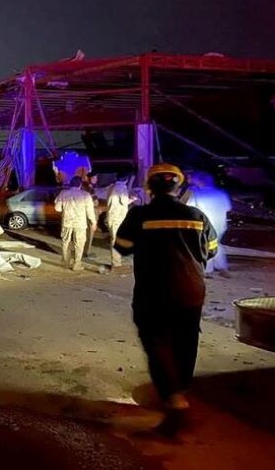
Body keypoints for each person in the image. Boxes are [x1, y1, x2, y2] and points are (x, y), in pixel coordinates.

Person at [115, 163, 218, 412]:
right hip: (191, 289)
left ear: (149, 187)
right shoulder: (196, 216)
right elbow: (211, 249)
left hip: (153, 290)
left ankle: (171, 395)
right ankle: (182, 387)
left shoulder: (139, 215)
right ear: (178, 186)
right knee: (187, 338)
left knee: (156, 339)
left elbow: (122, 246)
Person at [183, 172, 232, 278]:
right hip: (220, 224)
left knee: (206, 245)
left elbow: (188, 207)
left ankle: (208, 270)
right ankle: (222, 267)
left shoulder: (197, 194)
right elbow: (228, 208)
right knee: (216, 243)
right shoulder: (221, 194)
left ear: (200, 181)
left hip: (205, 223)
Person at [54, 176, 96, 271]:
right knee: (79, 243)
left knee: (65, 242)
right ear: (80, 184)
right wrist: (93, 222)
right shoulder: (85, 195)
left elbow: (57, 208)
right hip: (80, 223)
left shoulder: (63, 193)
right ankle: (77, 264)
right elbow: (90, 211)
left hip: (67, 222)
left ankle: (65, 262)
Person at [106, 180, 136, 269]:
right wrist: (132, 199)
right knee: (115, 240)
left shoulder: (111, 187)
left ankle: (117, 262)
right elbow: (123, 201)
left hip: (113, 217)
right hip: (117, 218)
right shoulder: (121, 188)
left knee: (115, 239)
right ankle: (116, 263)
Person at [82, 172, 99, 257]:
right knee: (89, 233)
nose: (96, 179)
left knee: (87, 232)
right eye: (94, 178)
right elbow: (94, 201)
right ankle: (86, 252)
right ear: (89, 178)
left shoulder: (87, 187)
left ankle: (84, 251)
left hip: (87, 212)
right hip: (90, 212)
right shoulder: (89, 188)